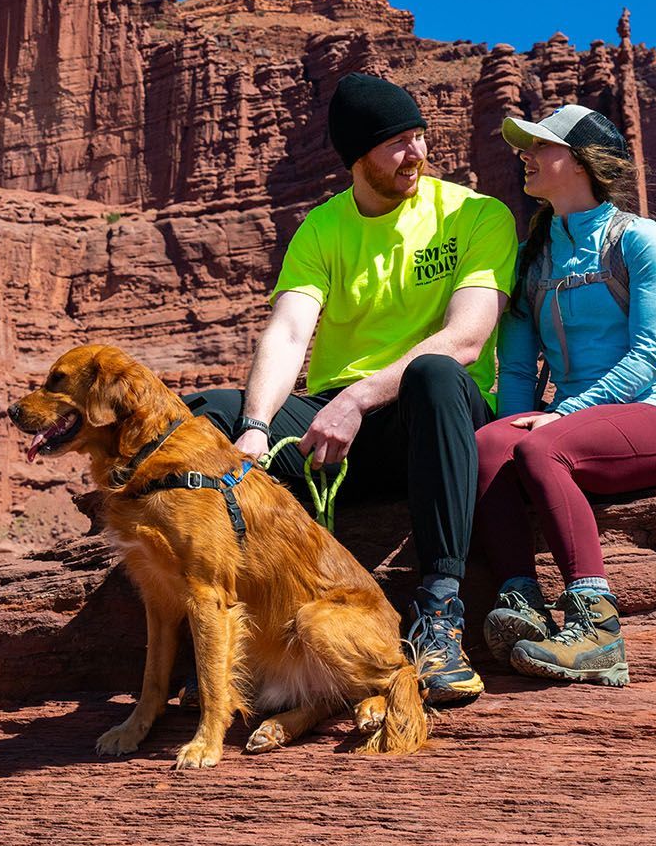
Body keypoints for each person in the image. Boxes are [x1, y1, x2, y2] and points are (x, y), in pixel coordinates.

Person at [183, 72, 518, 703]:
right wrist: (255, 428)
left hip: (434, 423)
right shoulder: (322, 229)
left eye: (419, 135)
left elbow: (467, 338)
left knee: (434, 373)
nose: (416, 152)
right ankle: (232, 625)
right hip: (339, 434)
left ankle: (439, 615)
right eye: (396, 141)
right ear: (356, 156)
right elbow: (286, 336)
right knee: (207, 414)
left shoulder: (477, 215)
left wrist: (357, 397)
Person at [472, 104, 656, 687]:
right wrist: (514, 425)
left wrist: (559, 418)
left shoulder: (639, 240)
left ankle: (598, 630)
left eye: (539, 147)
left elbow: (651, 356)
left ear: (575, 162)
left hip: (652, 415)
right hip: (572, 425)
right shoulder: (532, 259)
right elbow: (516, 370)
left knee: (542, 450)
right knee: (489, 444)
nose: (526, 156)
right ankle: (522, 605)